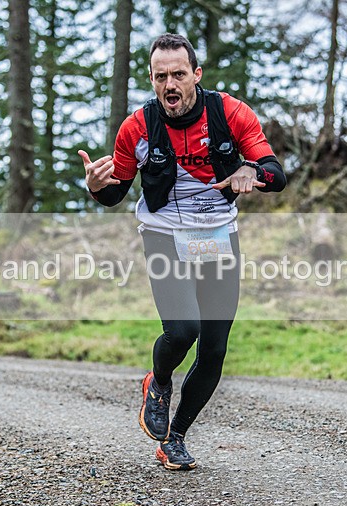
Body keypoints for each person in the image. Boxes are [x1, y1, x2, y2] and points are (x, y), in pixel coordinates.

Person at [78, 33, 286, 471]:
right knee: (184, 329)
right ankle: (159, 380)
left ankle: (174, 438)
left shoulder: (230, 114)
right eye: (160, 76)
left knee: (213, 349)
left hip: (217, 237)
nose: (169, 84)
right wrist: (98, 187)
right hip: (164, 235)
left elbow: (275, 172)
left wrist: (253, 172)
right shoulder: (136, 127)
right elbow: (116, 191)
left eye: (177, 74)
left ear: (196, 74)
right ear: (151, 80)